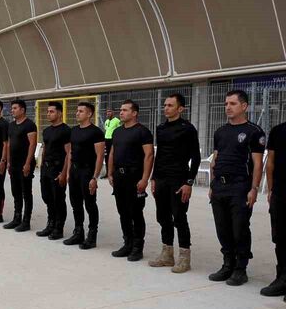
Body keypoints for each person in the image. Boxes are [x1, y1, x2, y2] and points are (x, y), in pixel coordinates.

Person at [208, 90, 265, 286]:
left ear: (244, 106)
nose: (228, 107)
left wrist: (254, 189)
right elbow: (215, 159)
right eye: (226, 104)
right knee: (222, 228)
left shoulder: (254, 132)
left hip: (240, 187)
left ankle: (241, 268)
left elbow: (258, 164)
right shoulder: (220, 132)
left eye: (232, 103)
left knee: (239, 228)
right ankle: (227, 264)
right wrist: (212, 185)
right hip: (219, 187)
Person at [149, 93, 201, 272]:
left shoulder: (188, 129)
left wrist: (189, 182)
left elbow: (196, 156)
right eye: (165, 105)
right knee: (162, 216)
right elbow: (160, 154)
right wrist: (154, 178)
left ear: (180, 109)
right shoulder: (161, 128)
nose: (166, 108)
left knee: (179, 217)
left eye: (170, 105)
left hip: (179, 179)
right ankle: (167, 254)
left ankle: (184, 258)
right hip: (161, 178)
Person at [107, 100, 154, 262]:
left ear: (134, 113)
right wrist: (110, 173)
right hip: (119, 177)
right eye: (121, 110)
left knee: (135, 212)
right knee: (123, 212)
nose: (121, 112)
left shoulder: (143, 132)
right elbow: (112, 153)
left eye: (125, 110)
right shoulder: (117, 131)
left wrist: (144, 179)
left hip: (134, 177)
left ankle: (137, 247)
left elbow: (149, 155)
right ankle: (127, 243)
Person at [64, 102, 104, 249]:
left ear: (89, 114)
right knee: (75, 204)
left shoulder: (96, 132)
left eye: (81, 111)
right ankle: (78, 232)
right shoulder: (73, 130)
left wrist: (95, 177)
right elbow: (70, 153)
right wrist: (68, 172)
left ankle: (92, 236)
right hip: (74, 171)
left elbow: (100, 156)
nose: (77, 113)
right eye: (77, 111)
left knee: (90, 204)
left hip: (87, 172)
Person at [37, 102, 71, 240]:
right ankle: (50, 224)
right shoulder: (47, 130)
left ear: (59, 113)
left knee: (58, 199)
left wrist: (64, 173)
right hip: (46, 168)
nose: (48, 114)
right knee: (47, 197)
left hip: (58, 168)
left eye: (51, 111)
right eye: (48, 111)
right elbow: (45, 148)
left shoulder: (65, 130)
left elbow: (69, 153)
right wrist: (41, 166)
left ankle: (58, 227)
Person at [261, 121, 286, 298]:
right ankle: (282, 278)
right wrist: (271, 190)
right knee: (280, 237)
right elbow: (270, 162)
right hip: (281, 193)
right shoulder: (278, 131)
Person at [5, 100, 37, 232]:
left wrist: (28, 163)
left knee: (26, 192)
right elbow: (9, 144)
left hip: (25, 164)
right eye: (12, 108)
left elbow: (32, 144)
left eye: (15, 108)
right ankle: (16, 217)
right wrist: (8, 161)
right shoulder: (11, 125)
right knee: (15, 192)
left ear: (22, 110)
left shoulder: (29, 125)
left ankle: (26, 221)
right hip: (14, 164)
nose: (12, 110)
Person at [102, 108, 121, 178]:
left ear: (113, 112)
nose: (108, 113)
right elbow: (106, 130)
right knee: (106, 157)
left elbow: (120, 131)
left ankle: (114, 173)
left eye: (109, 112)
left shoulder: (117, 121)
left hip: (113, 140)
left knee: (113, 157)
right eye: (107, 112)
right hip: (106, 140)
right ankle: (107, 173)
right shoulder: (106, 121)